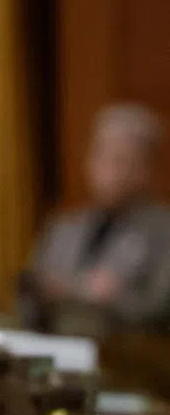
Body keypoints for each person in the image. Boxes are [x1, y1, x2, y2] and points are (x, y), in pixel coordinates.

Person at [23, 103, 170, 327]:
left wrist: (113, 300)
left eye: (123, 160)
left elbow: (160, 308)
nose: (112, 172)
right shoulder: (63, 228)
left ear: (147, 169)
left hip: (128, 356)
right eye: (103, 156)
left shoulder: (163, 231)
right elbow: (29, 300)